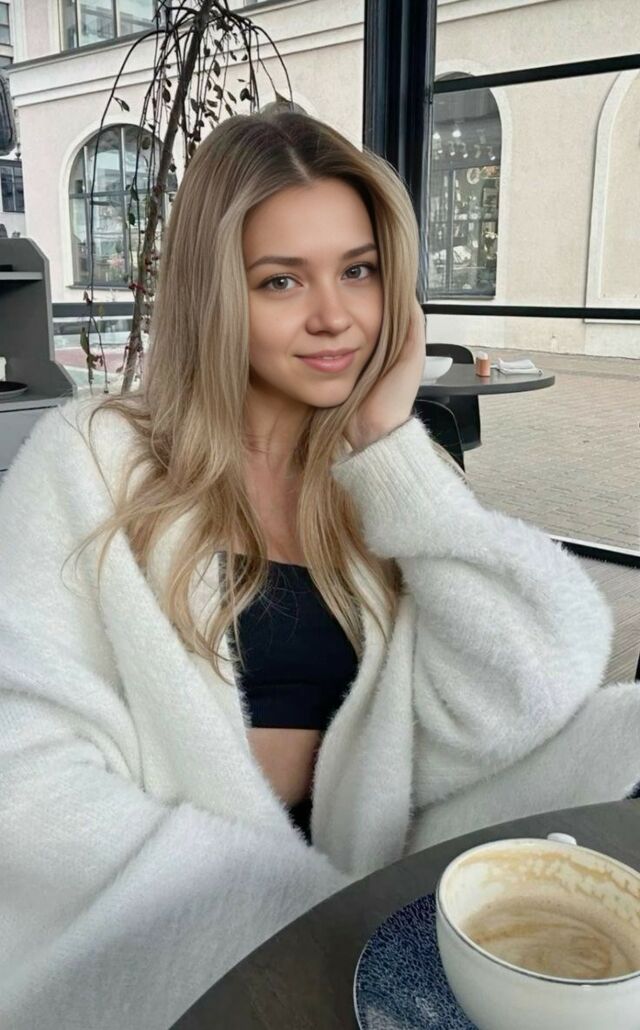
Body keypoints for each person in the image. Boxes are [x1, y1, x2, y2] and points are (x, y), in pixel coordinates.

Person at [0, 110, 637, 1030]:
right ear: (216, 295)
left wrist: (388, 442)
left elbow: (533, 688)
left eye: (359, 270)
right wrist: (296, 918)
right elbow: (22, 768)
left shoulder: (383, 476)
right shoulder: (95, 459)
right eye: (282, 280)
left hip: (367, 893)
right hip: (176, 931)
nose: (335, 316)